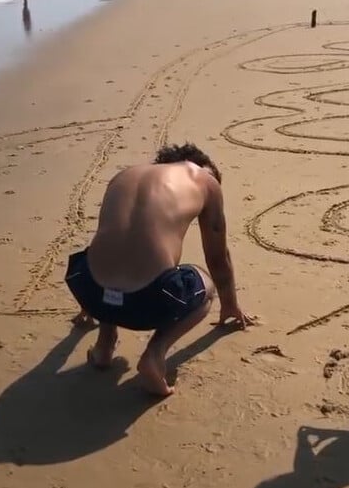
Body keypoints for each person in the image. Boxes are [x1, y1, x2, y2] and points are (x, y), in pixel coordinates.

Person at [65, 143, 253, 396]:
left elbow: (110, 245)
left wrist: (88, 307)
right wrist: (229, 303)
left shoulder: (123, 176)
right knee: (204, 283)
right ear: (204, 168)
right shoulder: (205, 181)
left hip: (89, 290)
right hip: (146, 306)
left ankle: (104, 346)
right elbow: (218, 259)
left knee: (116, 259)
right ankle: (155, 354)